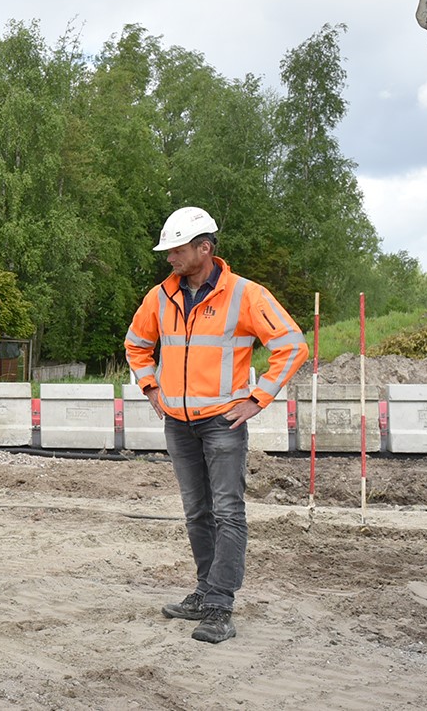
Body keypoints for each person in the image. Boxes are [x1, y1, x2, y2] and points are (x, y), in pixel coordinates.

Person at [124, 206, 308, 644]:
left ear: (204, 248)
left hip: (222, 423)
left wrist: (257, 398)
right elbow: (136, 344)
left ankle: (220, 605)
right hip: (178, 423)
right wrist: (151, 388)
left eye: (177, 249)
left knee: (227, 511)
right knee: (196, 513)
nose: (169, 257)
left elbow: (291, 345)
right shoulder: (159, 297)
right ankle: (206, 590)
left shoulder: (246, 295)